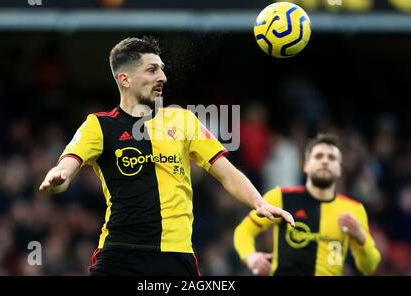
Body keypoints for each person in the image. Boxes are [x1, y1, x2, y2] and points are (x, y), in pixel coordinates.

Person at [38, 36, 294, 276]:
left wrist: (258, 203)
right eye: (152, 70)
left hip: (176, 255)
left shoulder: (183, 120)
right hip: (119, 252)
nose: (163, 77)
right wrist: (58, 178)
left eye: (162, 69)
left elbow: (226, 172)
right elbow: (66, 167)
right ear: (124, 79)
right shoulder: (98, 125)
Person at [234, 133, 381, 276]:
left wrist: (361, 238)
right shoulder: (281, 197)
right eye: (318, 156)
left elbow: (369, 267)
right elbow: (243, 231)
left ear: (339, 170)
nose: (325, 161)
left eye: (331, 158)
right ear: (306, 165)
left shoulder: (353, 209)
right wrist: (250, 257)